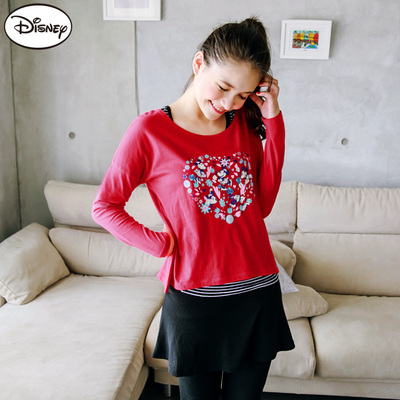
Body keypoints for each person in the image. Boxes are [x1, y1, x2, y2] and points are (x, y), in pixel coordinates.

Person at [92, 17, 294, 400]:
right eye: (223, 87)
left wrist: (273, 121)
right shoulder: (149, 131)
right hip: (195, 299)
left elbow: (263, 206)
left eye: (242, 94)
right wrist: (159, 244)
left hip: (257, 292)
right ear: (199, 63)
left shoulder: (242, 124)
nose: (228, 103)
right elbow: (105, 206)